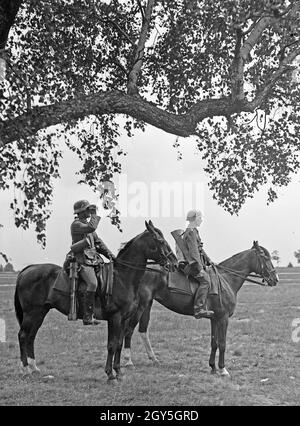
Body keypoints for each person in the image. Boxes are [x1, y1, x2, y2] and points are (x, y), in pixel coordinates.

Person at [71, 200, 116, 325]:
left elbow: (99, 243)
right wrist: (95, 213)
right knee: (92, 284)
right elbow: (91, 226)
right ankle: (87, 316)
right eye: (87, 210)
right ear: (80, 212)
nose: (89, 212)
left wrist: (111, 255)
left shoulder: (87, 226)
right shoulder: (77, 225)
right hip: (82, 261)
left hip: (94, 260)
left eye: (89, 210)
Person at [183, 209, 214, 319]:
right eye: (200, 218)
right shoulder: (191, 232)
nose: (201, 220)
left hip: (197, 263)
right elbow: (194, 252)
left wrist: (209, 260)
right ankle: (199, 308)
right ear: (195, 219)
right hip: (194, 265)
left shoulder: (194, 231)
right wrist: (200, 268)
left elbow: (200, 248)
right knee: (206, 281)